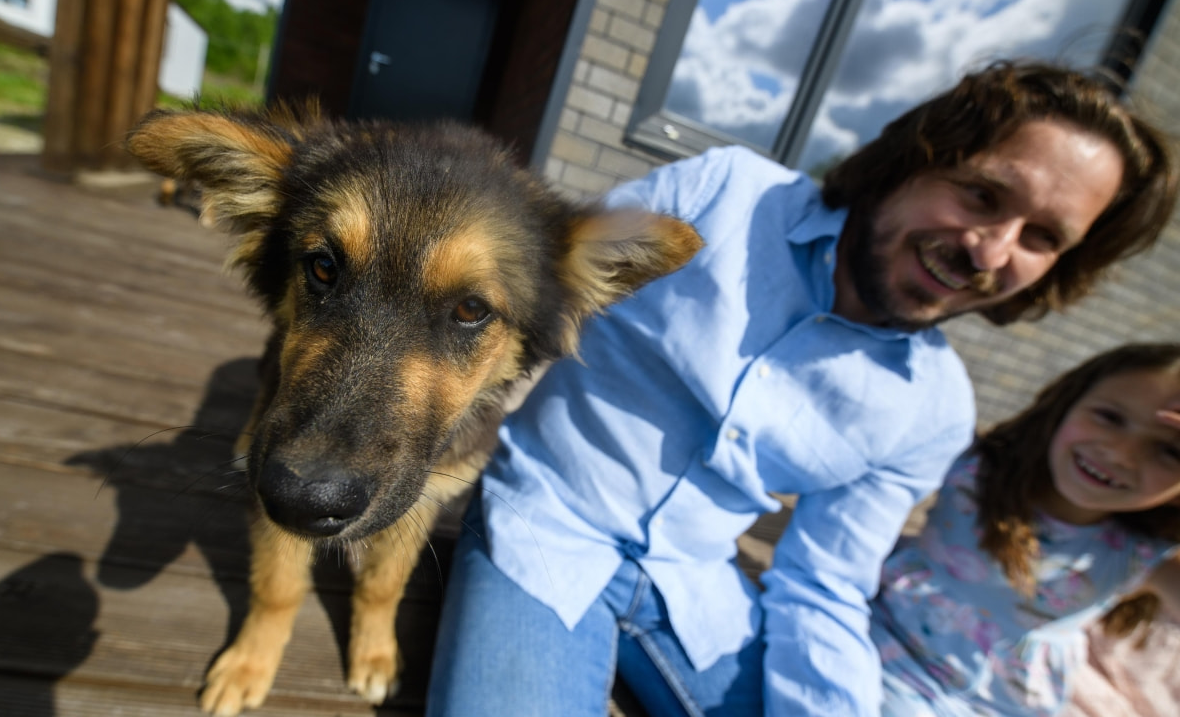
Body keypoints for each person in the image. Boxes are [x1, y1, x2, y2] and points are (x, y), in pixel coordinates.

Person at [425, 60, 1178, 717]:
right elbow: (534, 304)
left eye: (1042, 237)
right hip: (545, 534)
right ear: (913, 157)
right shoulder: (722, 194)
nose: (991, 249)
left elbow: (825, 584)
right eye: (981, 194)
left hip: (699, 589)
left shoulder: (935, 407)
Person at [874, 343, 1180, 716]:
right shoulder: (975, 464)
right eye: (1110, 417)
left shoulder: (1142, 555)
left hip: (995, 705)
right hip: (887, 640)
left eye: (1169, 451)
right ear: (1066, 402)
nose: (1120, 454)